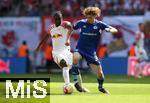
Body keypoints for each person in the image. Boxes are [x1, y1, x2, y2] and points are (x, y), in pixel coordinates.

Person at [71, 7, 118, 94]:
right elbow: (71, 28)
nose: (88, 18)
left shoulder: (100, 24)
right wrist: (66, 39)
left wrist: (109, 30)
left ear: (95, 15)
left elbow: (115, 29)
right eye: (87, 16)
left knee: (100, 73)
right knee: (75, 57)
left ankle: (101, 87)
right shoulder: (81, 23)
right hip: (80, 49)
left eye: (91, 17)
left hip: (91, 52)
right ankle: (76, 81)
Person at [35, 11, 73, 86]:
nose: (58, 21)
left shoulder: (65, 24)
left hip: (66, 51)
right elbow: (45, 38)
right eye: (56, 19)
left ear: (61, 18)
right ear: (54, 19)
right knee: (63, 63)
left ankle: (76, 84)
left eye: (59, 19)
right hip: (56, 52)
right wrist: (38, 46)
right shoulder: (51, 28)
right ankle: (67, 84)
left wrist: (68, 39)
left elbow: (71, 29)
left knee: (68, 67)